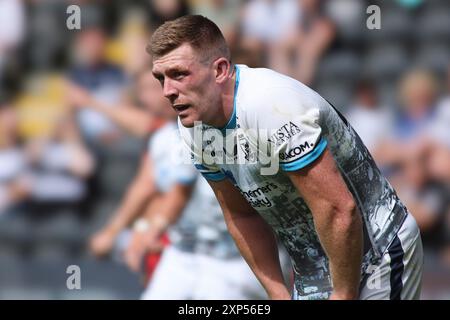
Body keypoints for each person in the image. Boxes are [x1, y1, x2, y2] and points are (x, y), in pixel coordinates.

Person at [148, 15, 424, 300]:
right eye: (161, 78)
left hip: (379, 250)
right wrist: (277, 294)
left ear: (219, 70)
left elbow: (338, 208)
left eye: (179, 74)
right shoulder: (193, 126)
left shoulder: (271, 104)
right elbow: (241, 215)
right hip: (313, 272)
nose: (167, 91)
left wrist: (344, 294)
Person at [84, 69, 264, 299]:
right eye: (142, 91)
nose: (145, 98)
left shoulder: (208, 130)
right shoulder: (162, 137)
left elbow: (177, 193)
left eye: (151, 90)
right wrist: (139, 229)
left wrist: (150, 229)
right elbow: (151, 187)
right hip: (183, 253)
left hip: (230, 257)